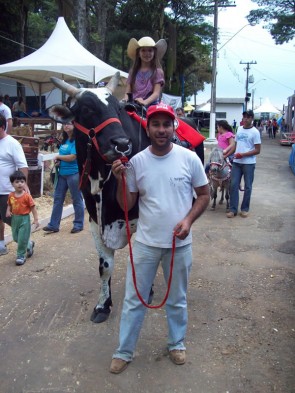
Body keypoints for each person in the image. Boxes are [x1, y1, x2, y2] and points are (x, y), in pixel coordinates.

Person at [110, 103, 210, 374]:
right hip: (144, 244)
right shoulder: (137, 162)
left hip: (180, 244)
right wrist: (119, 181)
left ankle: (176, 344)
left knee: (177, 298)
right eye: (156, 124)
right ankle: (124, 351)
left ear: (174, 126)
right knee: (134, 299)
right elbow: (127, 204)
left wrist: (188, 221)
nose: (162, 129)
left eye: (167, 124)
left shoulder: (189, 159)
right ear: (149, 127)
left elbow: (204, 195)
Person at [43, 121, 84, 234]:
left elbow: (73, 157)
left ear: (74, 125)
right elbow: (66, 157)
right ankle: (53, 224)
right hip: (62, 173)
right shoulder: (65, 140)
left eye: (69, 123)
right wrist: (59, 162)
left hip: (73, 173)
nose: (66, 125)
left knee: (76, 198)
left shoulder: (76, 141)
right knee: (58, 199)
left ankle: (78, 224)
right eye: (64, 123)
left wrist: (58, 156)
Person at [0, 114, 30, 256]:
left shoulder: (12, 144)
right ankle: (1, 244)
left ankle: (27, 243)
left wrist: (23, 187)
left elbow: (22, 166)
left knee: (12, 220)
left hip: (7, 190)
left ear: (1, 127)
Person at [226, 110, 261, 219]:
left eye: (247, 117)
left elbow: (258, 150)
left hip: (249, 163)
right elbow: (235, 146)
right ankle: (233, 209)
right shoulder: (239, 129)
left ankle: (245, 209)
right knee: (233, 185)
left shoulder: (255, 132)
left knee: (248, 186)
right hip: (237, 162)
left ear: (252, 119)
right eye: (244, 117)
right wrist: (226, 154)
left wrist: (244, 155)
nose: (245, 119)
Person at [6, 171, 39, 265]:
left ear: (24, 183)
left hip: (24, 219)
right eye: (17, 182)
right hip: (15, 219)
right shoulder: (11, 195)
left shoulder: (27, 196)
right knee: (16, 238)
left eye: (22, 181)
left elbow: (33, 207)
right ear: (12, 183)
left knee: (21, 239)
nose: (19, 183)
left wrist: (36, 219)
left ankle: (20, 255)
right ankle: (29, 245)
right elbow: (9, 204)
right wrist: (8, 211)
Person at [124, 36, 167, 107]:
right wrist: (124, 100)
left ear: (154, 53)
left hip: (151, 105)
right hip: (133, 104)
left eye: (150, 50)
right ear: (138, 53)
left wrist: (145, 102)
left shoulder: (157, 72)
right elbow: (128, 92)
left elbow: (156, 93)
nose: (147, 53)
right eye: (143, 50)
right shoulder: (132, 72)